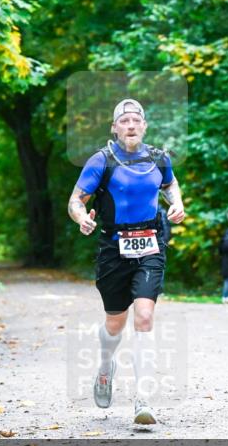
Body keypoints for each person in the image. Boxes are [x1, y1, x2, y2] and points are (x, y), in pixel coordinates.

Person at [68, 99, 185, 425]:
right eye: (124, 120)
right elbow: (77, 200)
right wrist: (81, 218)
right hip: (113, 248)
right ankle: (106, 365)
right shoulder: (101, 160)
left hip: (150, 245)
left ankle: (143, 398)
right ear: (114, 127)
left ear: (144, 126)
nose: (131, 125)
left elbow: (170, 184)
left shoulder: (159, 158)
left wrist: (176, 203)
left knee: (145, 316)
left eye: (136, 120)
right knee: (115, 323)